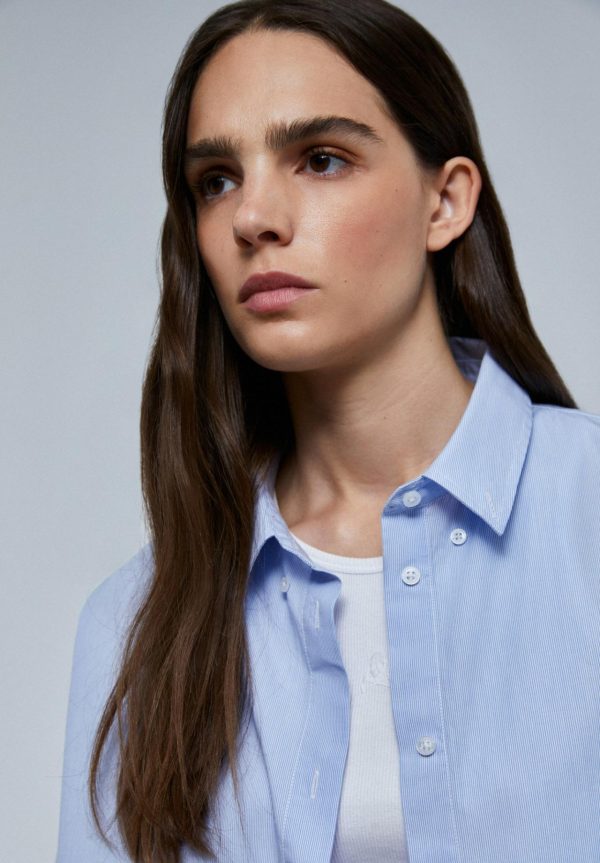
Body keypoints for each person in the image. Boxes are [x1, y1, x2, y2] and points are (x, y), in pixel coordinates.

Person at [56, 1, 600, 861]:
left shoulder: (586, 513)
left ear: (445, 201)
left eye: (320, 159)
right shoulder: (136, 624)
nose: (253, 218)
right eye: (217, 180)